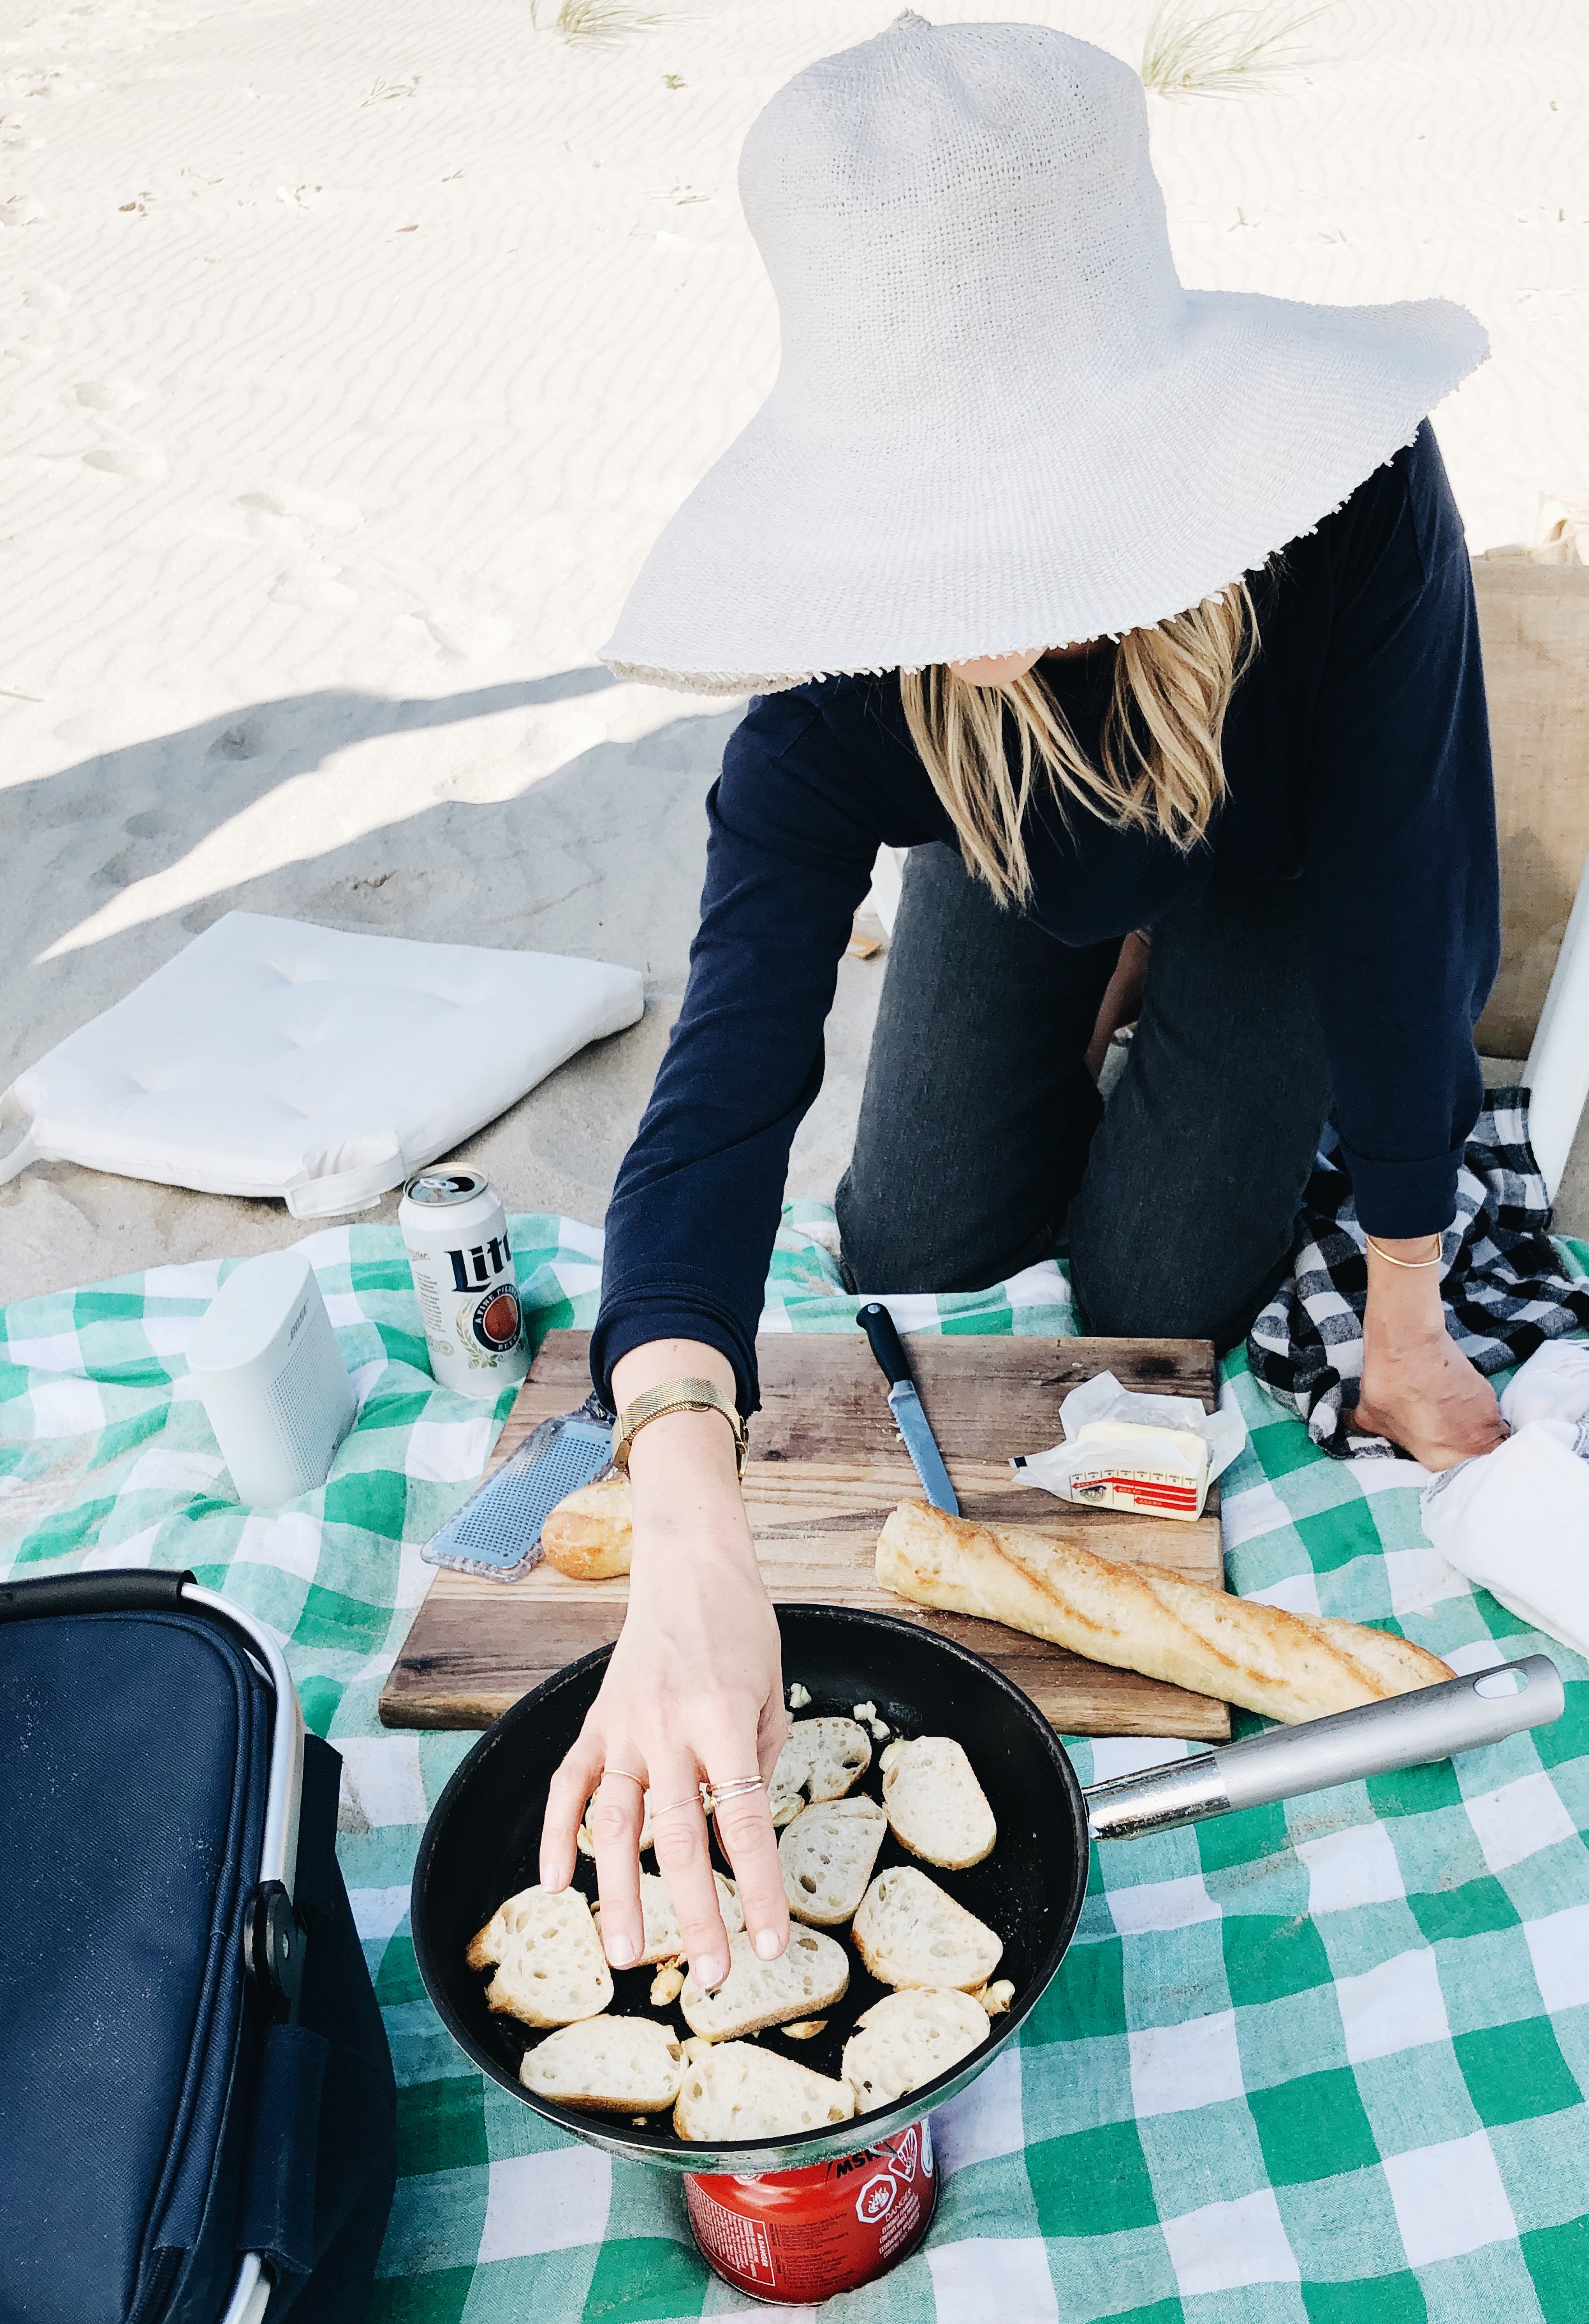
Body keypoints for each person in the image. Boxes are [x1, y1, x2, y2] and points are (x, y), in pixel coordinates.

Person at [539, 13, 1506, 1988]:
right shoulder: (838, 698)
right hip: (1002, 833)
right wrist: (692, 1524)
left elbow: (1415, 909)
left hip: (1293, 862)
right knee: (914, 1234)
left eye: (1038, 513)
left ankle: (1170, 949)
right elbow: (722, 1082)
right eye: (940, 528)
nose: (983, 582)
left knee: (1155, 1295)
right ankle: (1098, 930)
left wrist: (1407, 1304)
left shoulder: (1346, 509)